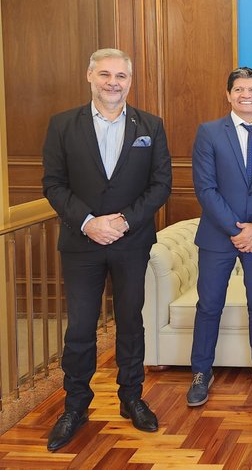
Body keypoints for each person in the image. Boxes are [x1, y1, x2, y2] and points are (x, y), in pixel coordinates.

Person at [42, 48, 172, 451]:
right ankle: (75, 407)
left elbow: (161, 184)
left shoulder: (150, 125)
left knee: (131, 323)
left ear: (130, 81)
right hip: (81, 244)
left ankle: (131, 398)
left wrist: (124, 221)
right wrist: (88, 222)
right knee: (81, 328)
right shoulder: (63, 124)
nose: (113, 82)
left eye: (120, 76)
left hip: (131, 243)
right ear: (90, 76)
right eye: (105, 74)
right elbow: (53, 184)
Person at [187, 67, 252, 405]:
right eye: (239, 89)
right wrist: (238, 230)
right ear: (229, 95)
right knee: (209, 306)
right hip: (219, 237)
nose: (246, 95)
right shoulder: (210, 132)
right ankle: (201, 372)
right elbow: (205, 188)